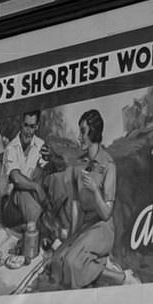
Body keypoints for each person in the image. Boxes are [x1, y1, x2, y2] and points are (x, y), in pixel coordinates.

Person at [52, 109, 137, 288]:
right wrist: (72, 237)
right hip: (85, 227)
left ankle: (123, 279)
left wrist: (95, 191)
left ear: (94, 132)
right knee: (57, 262)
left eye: (83, 131)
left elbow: (106, 213)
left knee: (72, 263)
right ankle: (99, 263)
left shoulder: (108, 166)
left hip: (103, 228)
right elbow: (76, 206)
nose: (79, 136)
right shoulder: (78, 166)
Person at [0, 110, 67, 264]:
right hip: (11, 207)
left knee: (51, 183)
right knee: (22, 190)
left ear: (36, 126)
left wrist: (52, 158)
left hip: (31, 205)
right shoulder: (11, 148)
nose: (28, 131)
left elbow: (61, 166)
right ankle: (51, 235)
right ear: (21, 125)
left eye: (32, 126)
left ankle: (46, 232)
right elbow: (15, 178)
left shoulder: (40, 145)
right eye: (26, 126)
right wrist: (36, 187)